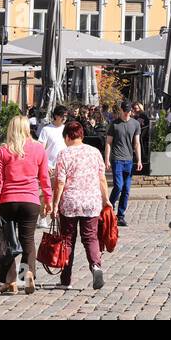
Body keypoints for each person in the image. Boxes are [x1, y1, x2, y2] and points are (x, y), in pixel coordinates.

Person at [0, 114, 52, 295]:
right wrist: (48, 199)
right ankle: (27, 274)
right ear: (27, 128)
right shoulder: (39, 149)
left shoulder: (3, 151)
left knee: (7, 242)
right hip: (30, 201)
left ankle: (11, 282)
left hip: (7, 201)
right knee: (28, 241)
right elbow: (44, 178)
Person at [52, 119, 110, 289]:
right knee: (90, 237)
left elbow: (60, 182)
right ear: (81, 135)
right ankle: (96, 266)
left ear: (67, 137)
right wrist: (106, 199)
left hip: (70, 202)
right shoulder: (94, 152)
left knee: (68, 240)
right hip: (91, 202)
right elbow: (102, 179)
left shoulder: (64, 154)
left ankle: (66, 280)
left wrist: (55, 204)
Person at [104, 100, 142, 227]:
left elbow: (137, 143)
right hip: (117, 159)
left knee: (126, 189)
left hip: (129, 160)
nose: (127, 113)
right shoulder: (114, 125)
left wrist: (139, 160)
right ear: (121, 110)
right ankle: (108, 206)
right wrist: (107, 159)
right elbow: (108, 143)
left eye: (128, 111)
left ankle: (120, 216)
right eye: (125, 111)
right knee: (118, 186)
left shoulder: (135, 124)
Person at [37, 106, 68, 173]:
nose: (64, 118)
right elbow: (40, 150)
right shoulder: (46, 129)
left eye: (66, 116)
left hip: (64, 168)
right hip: (50, 168)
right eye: (62, 116)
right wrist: (46, 165)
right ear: (56, 116)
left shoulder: (67, 129)